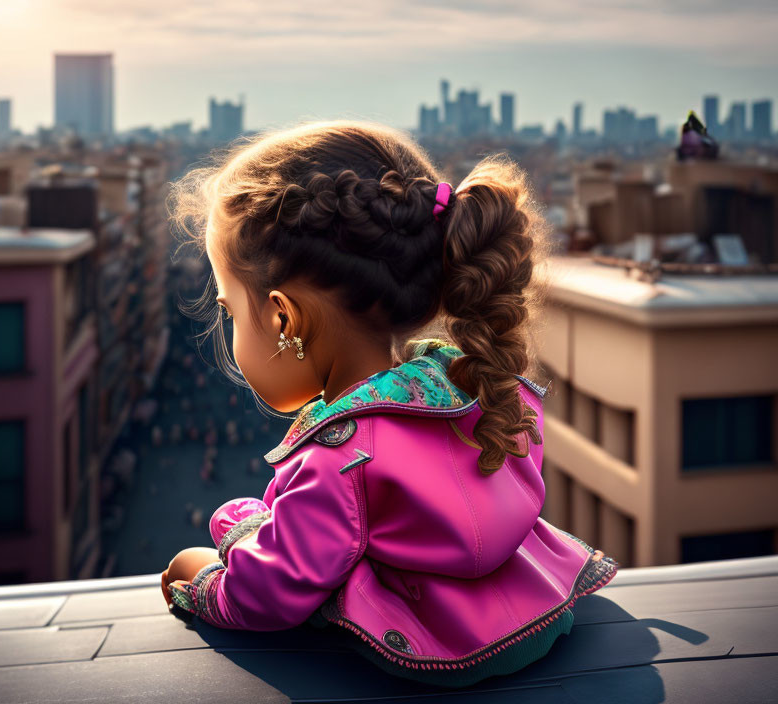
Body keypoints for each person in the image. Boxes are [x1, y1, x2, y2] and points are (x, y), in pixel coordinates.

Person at [159, 120, 618, 688]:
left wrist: (197, 576)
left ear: (284, 318)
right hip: (538, 612)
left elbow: (271, 594)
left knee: (242, 526)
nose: (227, 325)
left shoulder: (341, 455)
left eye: (230, 309)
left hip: (441, 644)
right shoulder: (477, 380)